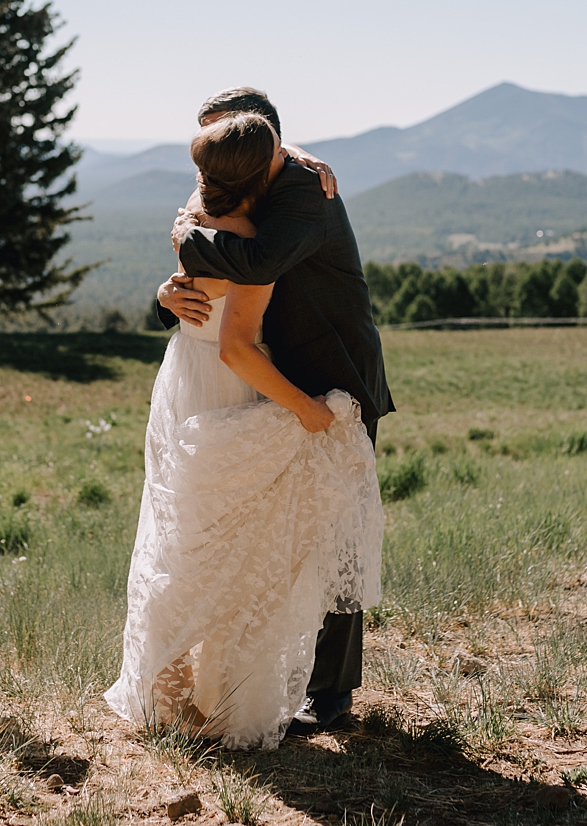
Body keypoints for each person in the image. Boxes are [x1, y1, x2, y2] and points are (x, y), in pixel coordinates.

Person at [106, 112, 385, 749]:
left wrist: (183, 246)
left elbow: (221, 271)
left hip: (203, 377)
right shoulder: (243, 225)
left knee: (189, 538)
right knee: (243, 544)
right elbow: (238, 335)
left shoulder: (223, 210)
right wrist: (305, 410)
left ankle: (176, 691)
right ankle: (225, 694)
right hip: (242, 384)